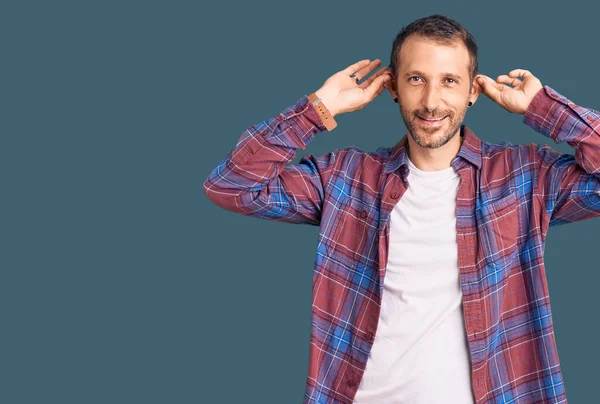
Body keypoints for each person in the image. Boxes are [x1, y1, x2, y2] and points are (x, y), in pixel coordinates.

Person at [203, 14, 599, 404]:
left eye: (449, 81)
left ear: (472, 91)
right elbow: (231, 186)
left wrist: (545, 109)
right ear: (392, 87)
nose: (431, 102)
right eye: (416, 79)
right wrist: (318, 108)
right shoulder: (345, 177)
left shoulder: (525, 176)